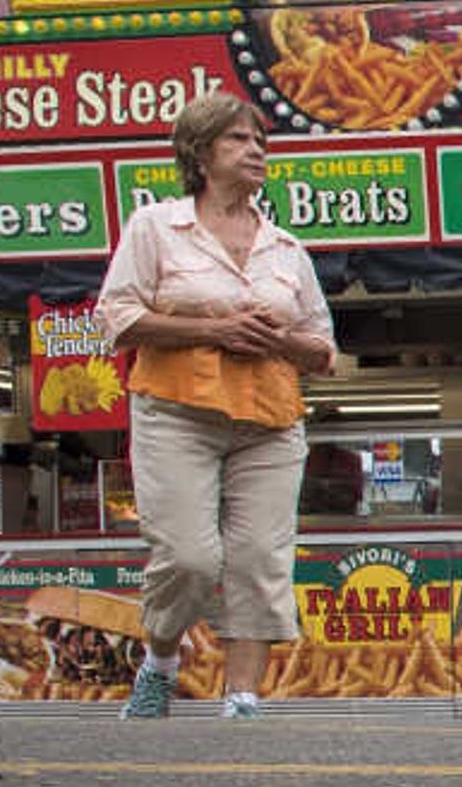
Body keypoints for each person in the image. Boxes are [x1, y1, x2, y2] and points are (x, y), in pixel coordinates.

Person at [95, 93, 337, 717]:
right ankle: (161, 661)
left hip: (271, 421)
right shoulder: (156, 227)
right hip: (176, 411)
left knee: (260, 557)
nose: (255, 150)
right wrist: (212, 330)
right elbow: (117, 320)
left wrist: (279, 340)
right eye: (237, 140)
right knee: (189, 557)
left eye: (259, 140)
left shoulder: (286, 248)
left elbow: (323, 350)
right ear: (200, 154)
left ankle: (244, 697)